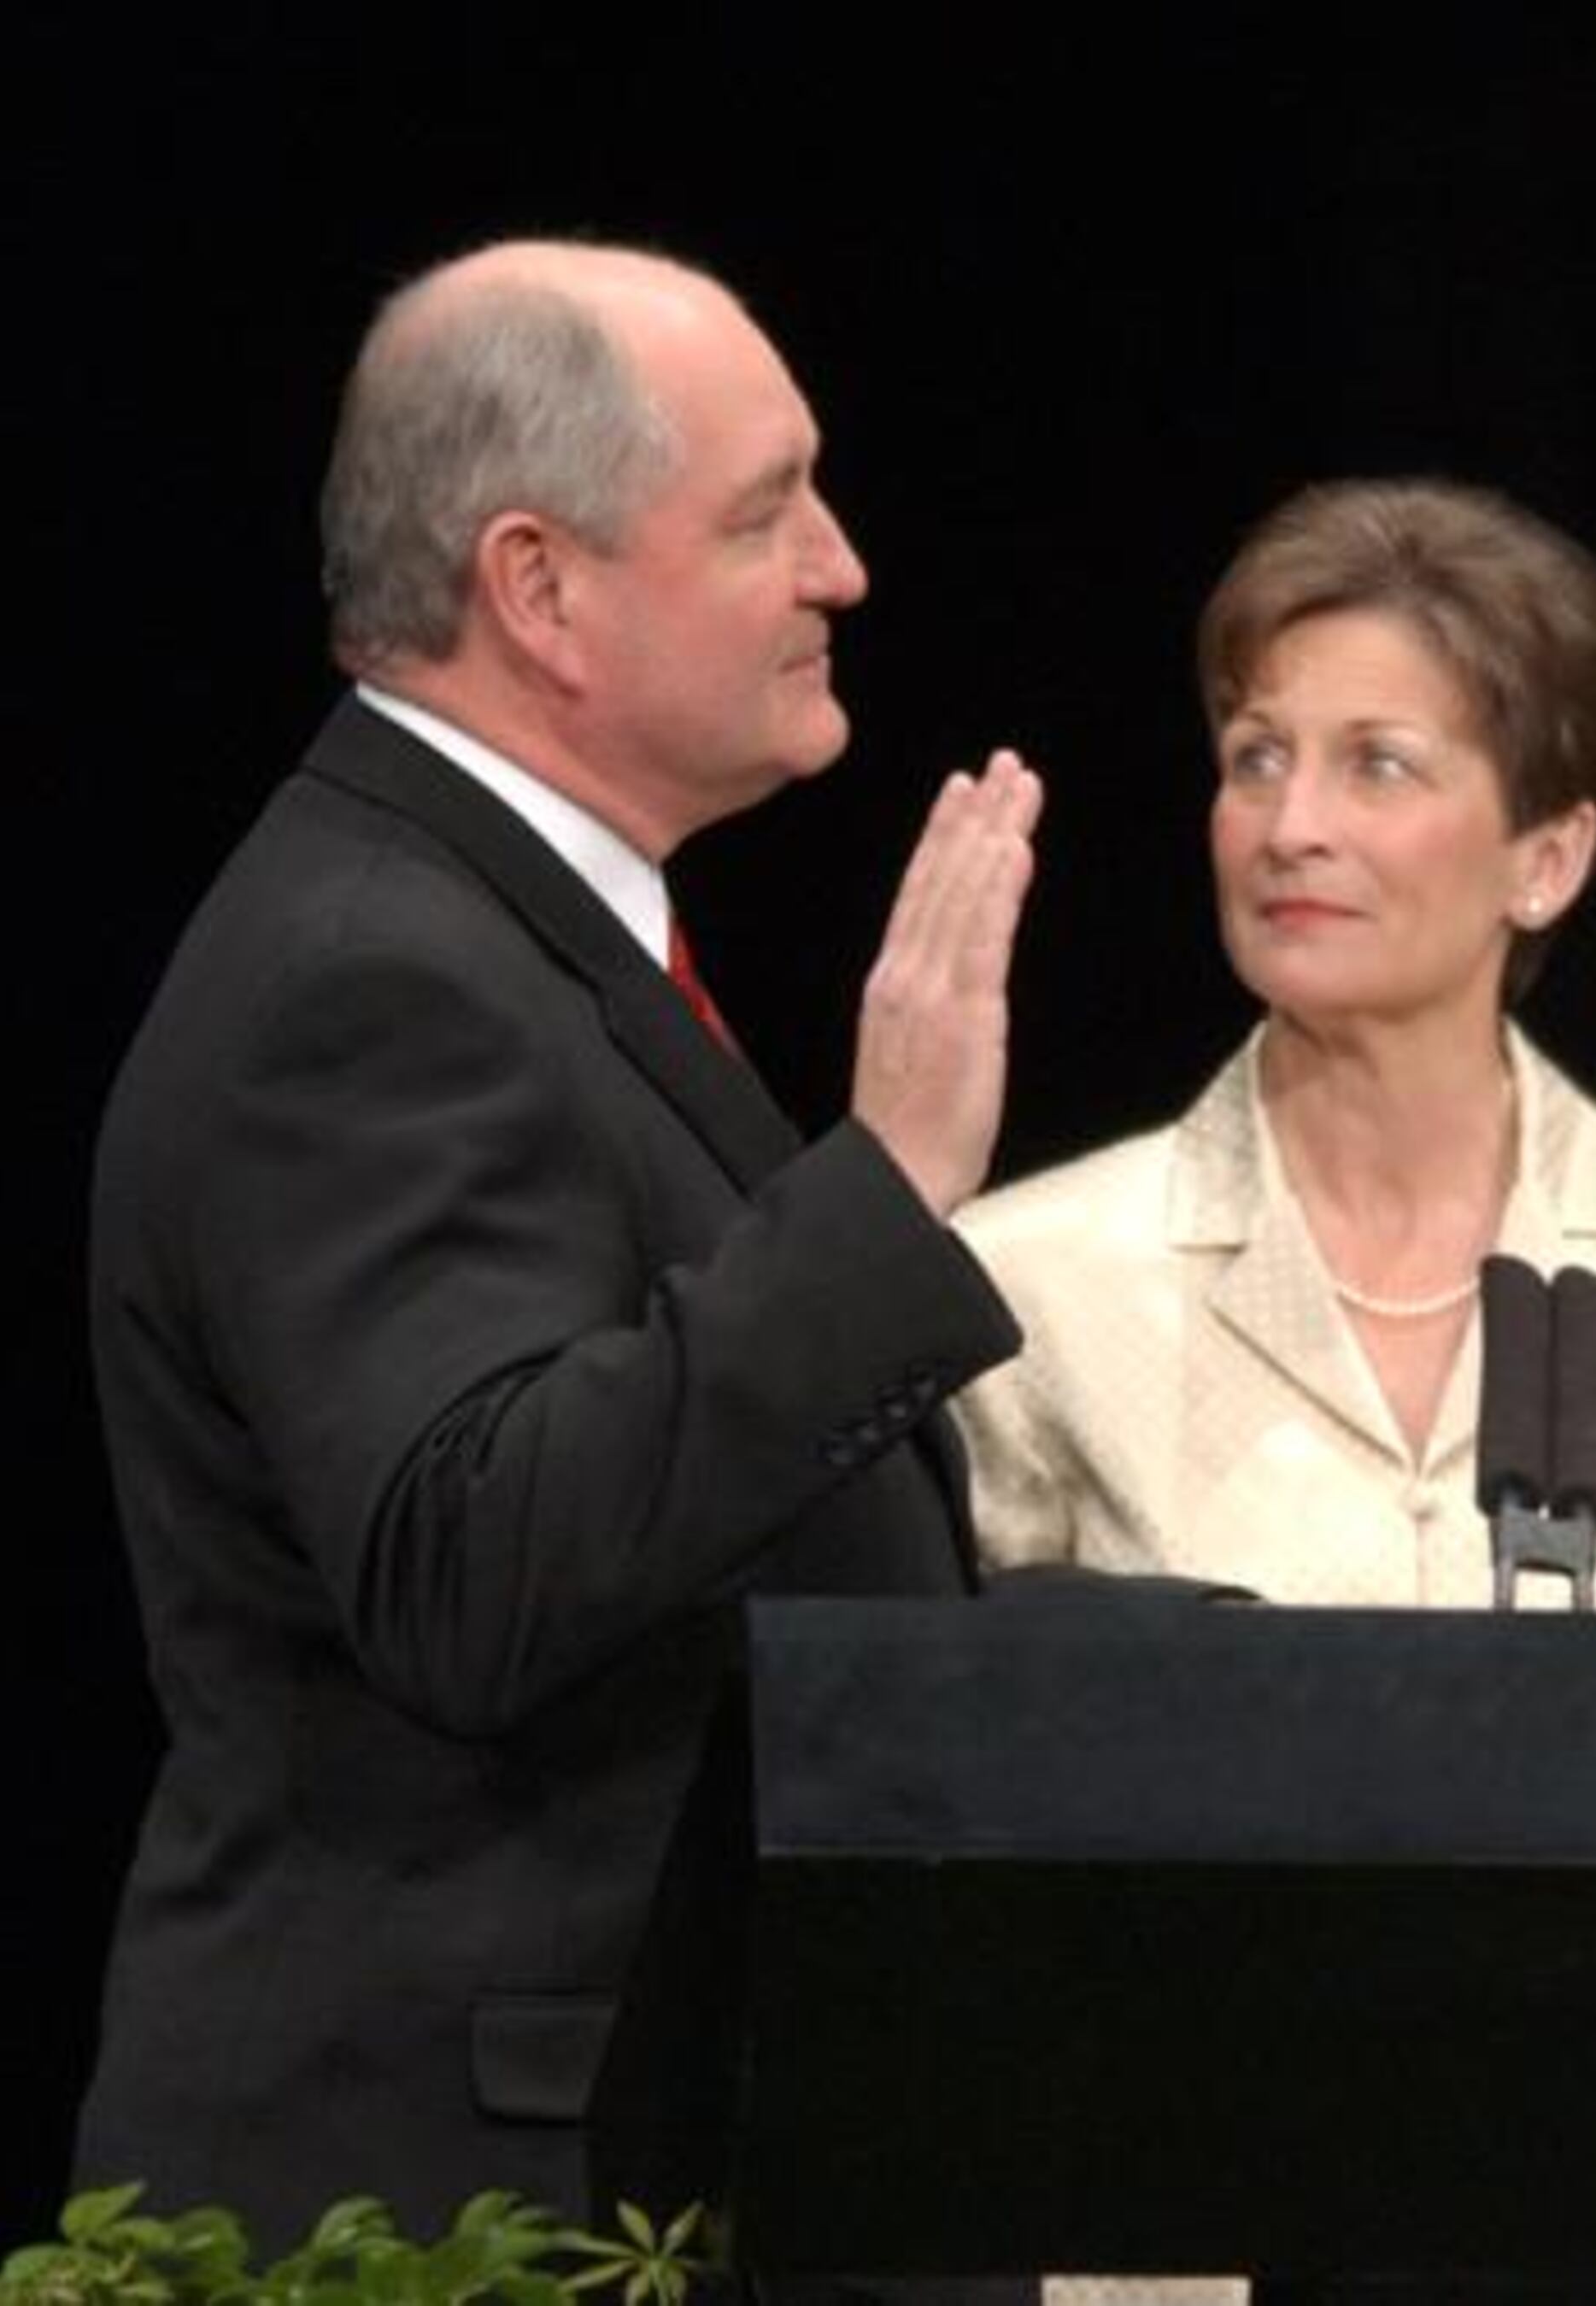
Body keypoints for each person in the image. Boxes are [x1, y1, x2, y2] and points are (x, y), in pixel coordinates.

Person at [76, 241, 1042, 2240]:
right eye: (767, 512)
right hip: (460, 2211)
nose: (843, 567)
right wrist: (885, 1190)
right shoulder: (370, 975)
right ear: (539, 587)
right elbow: (472, 1558)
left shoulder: (499, 925)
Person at [955, 478, 1596, 1616]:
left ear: (1547, 861)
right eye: (1259, 758)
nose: (1293, 828)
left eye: (1380, 765)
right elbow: (969, 1759)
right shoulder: (1029, 1284)